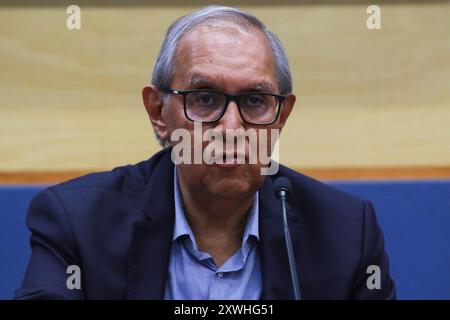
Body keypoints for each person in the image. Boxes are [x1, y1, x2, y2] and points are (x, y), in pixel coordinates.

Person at [15, 5, 395, 300]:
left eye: (255, 100)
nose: (231, 128)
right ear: (158, 112)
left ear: (282, 115)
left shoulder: (345, 234)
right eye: (205, 99)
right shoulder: (78, 225)